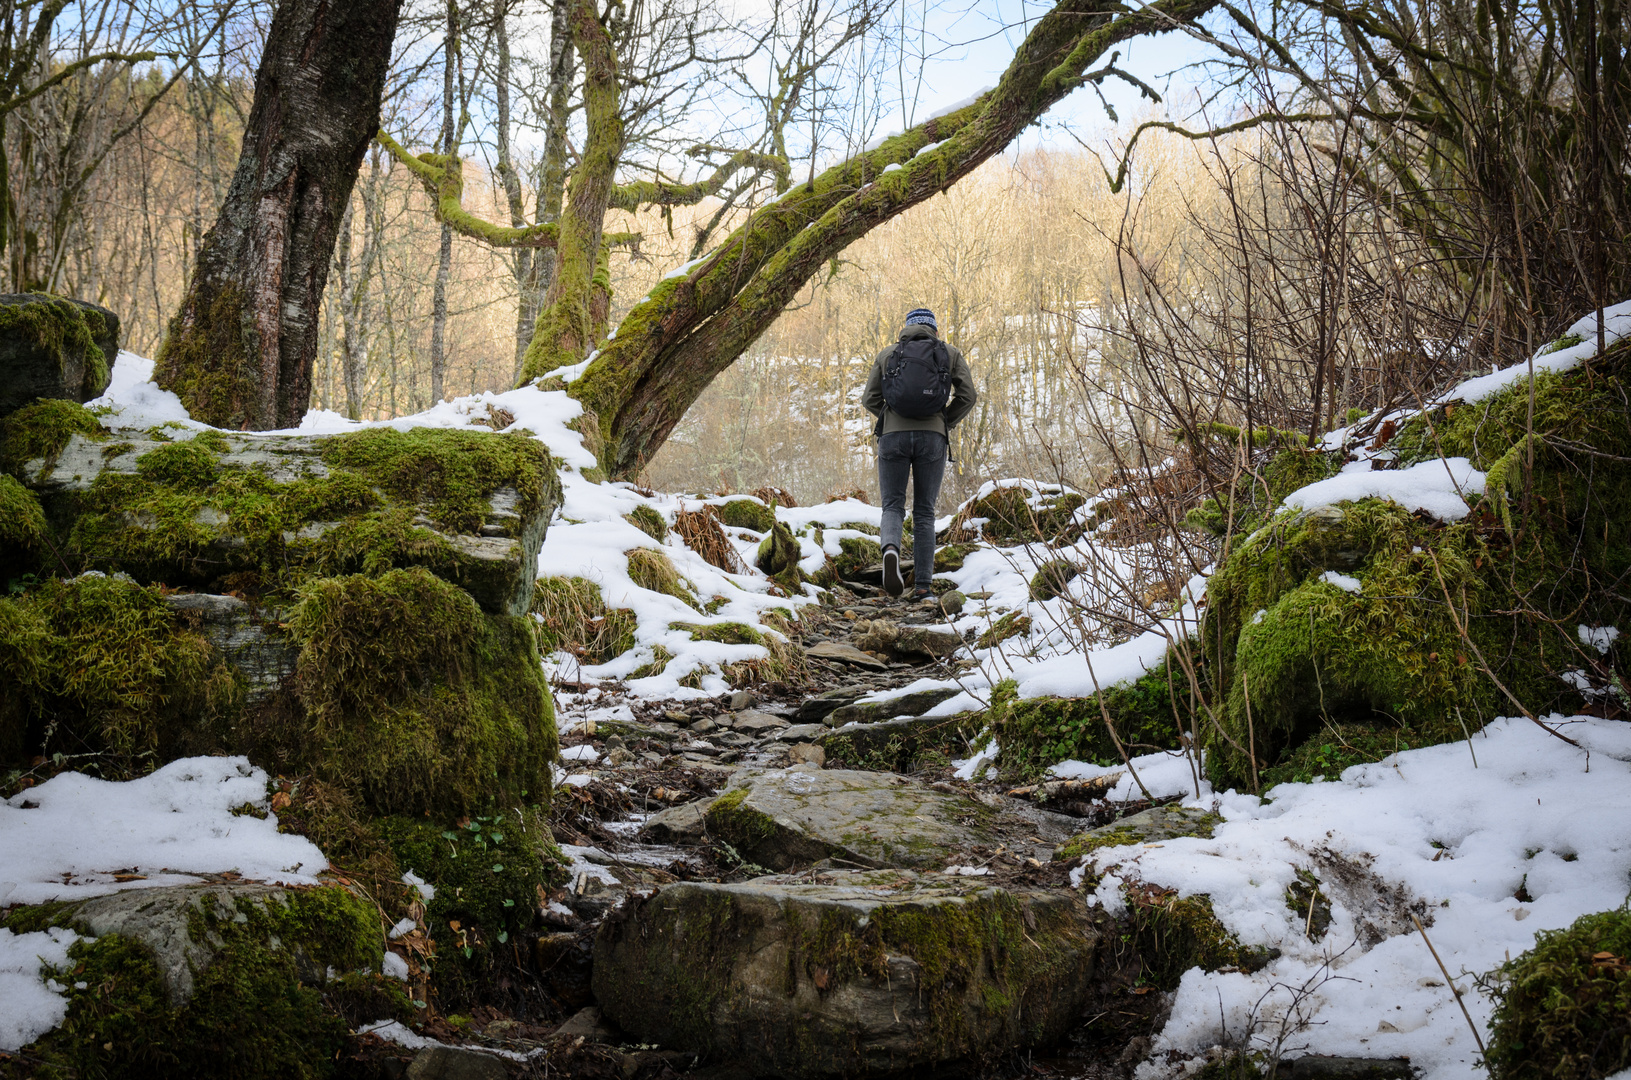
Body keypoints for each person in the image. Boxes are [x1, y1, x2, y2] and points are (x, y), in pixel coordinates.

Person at [862, 307, 976, 599]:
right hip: (932, 437)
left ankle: (890, 550)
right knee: (925, 510)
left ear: (906, 329)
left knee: (892, 505)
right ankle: (923, 586)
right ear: (934, 330)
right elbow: (968, 396)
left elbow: (870, 398)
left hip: (892, 437)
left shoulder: (888, 354)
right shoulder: (948, 353)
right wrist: (944, 421)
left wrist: (889, 420)